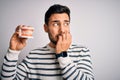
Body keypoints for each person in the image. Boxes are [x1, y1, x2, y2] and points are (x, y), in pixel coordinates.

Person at [1, 4, 94, 80]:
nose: (62, 30)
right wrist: (13, 52)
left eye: (66, 23)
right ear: (46, 28)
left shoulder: (82, 51)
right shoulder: (34, 55)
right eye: (56, 24)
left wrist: (62, 55)